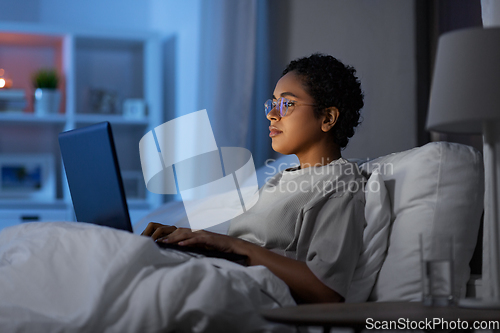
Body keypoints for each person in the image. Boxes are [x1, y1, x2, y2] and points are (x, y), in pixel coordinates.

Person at [142, 53, 366, 304]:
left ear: (328, 118)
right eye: (272, 104)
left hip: (254, 294)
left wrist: (234, 246)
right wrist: (196, 240)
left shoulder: (341, 183)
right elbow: (245, 246)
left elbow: (327, 290)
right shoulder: (281, 179)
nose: (272, 114)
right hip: (225, 272)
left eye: (287, 104)